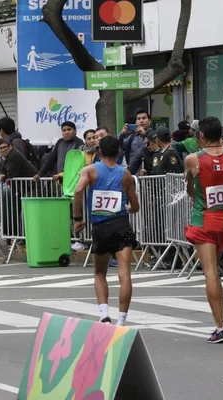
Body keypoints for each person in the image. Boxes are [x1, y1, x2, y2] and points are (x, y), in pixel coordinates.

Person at [184, 116, 223, 344]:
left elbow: (190, 191)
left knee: (210, 272)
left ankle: (220, 326)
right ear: (222, 133)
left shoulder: (193, 159)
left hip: (203, 219)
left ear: (201, 136)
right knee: (215, 272)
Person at [73, 135, 139, 326]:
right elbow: (135, 206)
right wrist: (129, 208)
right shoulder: (125, 174)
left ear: (99, 151)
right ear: (119, 152)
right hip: (121, 225)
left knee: (100, 273)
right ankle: (122, 319)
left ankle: (104, 314)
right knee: (124, 273)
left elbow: (78, 191)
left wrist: (78, 219)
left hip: (100, 227)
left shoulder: (90, 170)